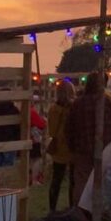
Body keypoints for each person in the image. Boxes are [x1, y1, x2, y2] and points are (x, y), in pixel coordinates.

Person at [65, 71, 111, 205]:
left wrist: (72, 147)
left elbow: (69, 128)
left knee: (82, 182)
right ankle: (103, 211)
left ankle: (81, 212)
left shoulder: (77, 104)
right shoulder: (109, 102)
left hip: (82, 148)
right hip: (105, 148)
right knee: (103, 180)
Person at [47, 81, 75, 211]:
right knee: (73, 181)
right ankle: (72, 206)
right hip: (73, 146)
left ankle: (52, 208)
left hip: (59, 148)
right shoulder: (74, 108)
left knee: (56, 180)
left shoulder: (53, 109)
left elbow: (51, 131)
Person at [0, 95, 21, 167]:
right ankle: (6, 178)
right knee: (8, 164)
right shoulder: (13, 109)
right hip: (9, 139)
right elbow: (17, 126)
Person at [30, 95, 47, 185]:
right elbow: (41, 124)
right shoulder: (32, 112)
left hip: (28, 138)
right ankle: (34, 180)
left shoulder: (25, 111)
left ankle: (30, 178)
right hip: (34, 138)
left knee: (31, 160)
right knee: (37, 159)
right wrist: (44, 120)